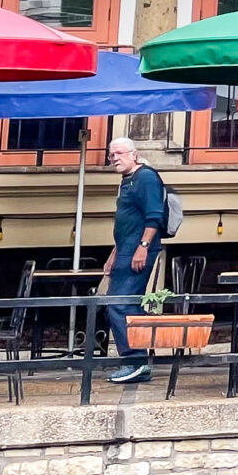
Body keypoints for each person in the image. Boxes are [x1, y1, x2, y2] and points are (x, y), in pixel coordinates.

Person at [99, 134, 166, 385]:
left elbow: (154, 216)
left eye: (118, 153)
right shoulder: (127, 180)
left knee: (119, 304)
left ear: (133, 155)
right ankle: (137, 362)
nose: (113, 158)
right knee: (127, 305)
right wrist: (114, 254)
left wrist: (143, 247)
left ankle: (135, 361)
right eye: (111, 154)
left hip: (138, 251)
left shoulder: (145, 177)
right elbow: (126, 224)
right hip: (125, 250)